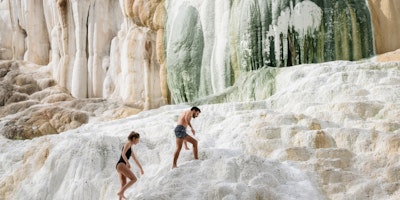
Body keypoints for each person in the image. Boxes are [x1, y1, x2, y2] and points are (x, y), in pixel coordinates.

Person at [116, 131, 144, 200]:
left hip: (120, 166)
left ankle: (120, 198)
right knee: (134, 179)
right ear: (134, 138)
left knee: (123, 184)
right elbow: (123, 154)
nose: (138, 141)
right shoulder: (128, 143)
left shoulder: (130, 149)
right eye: (137, 140)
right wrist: (127, 162)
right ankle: (121, 192)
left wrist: (141, 168)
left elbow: (135, 159)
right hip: (121, 164)